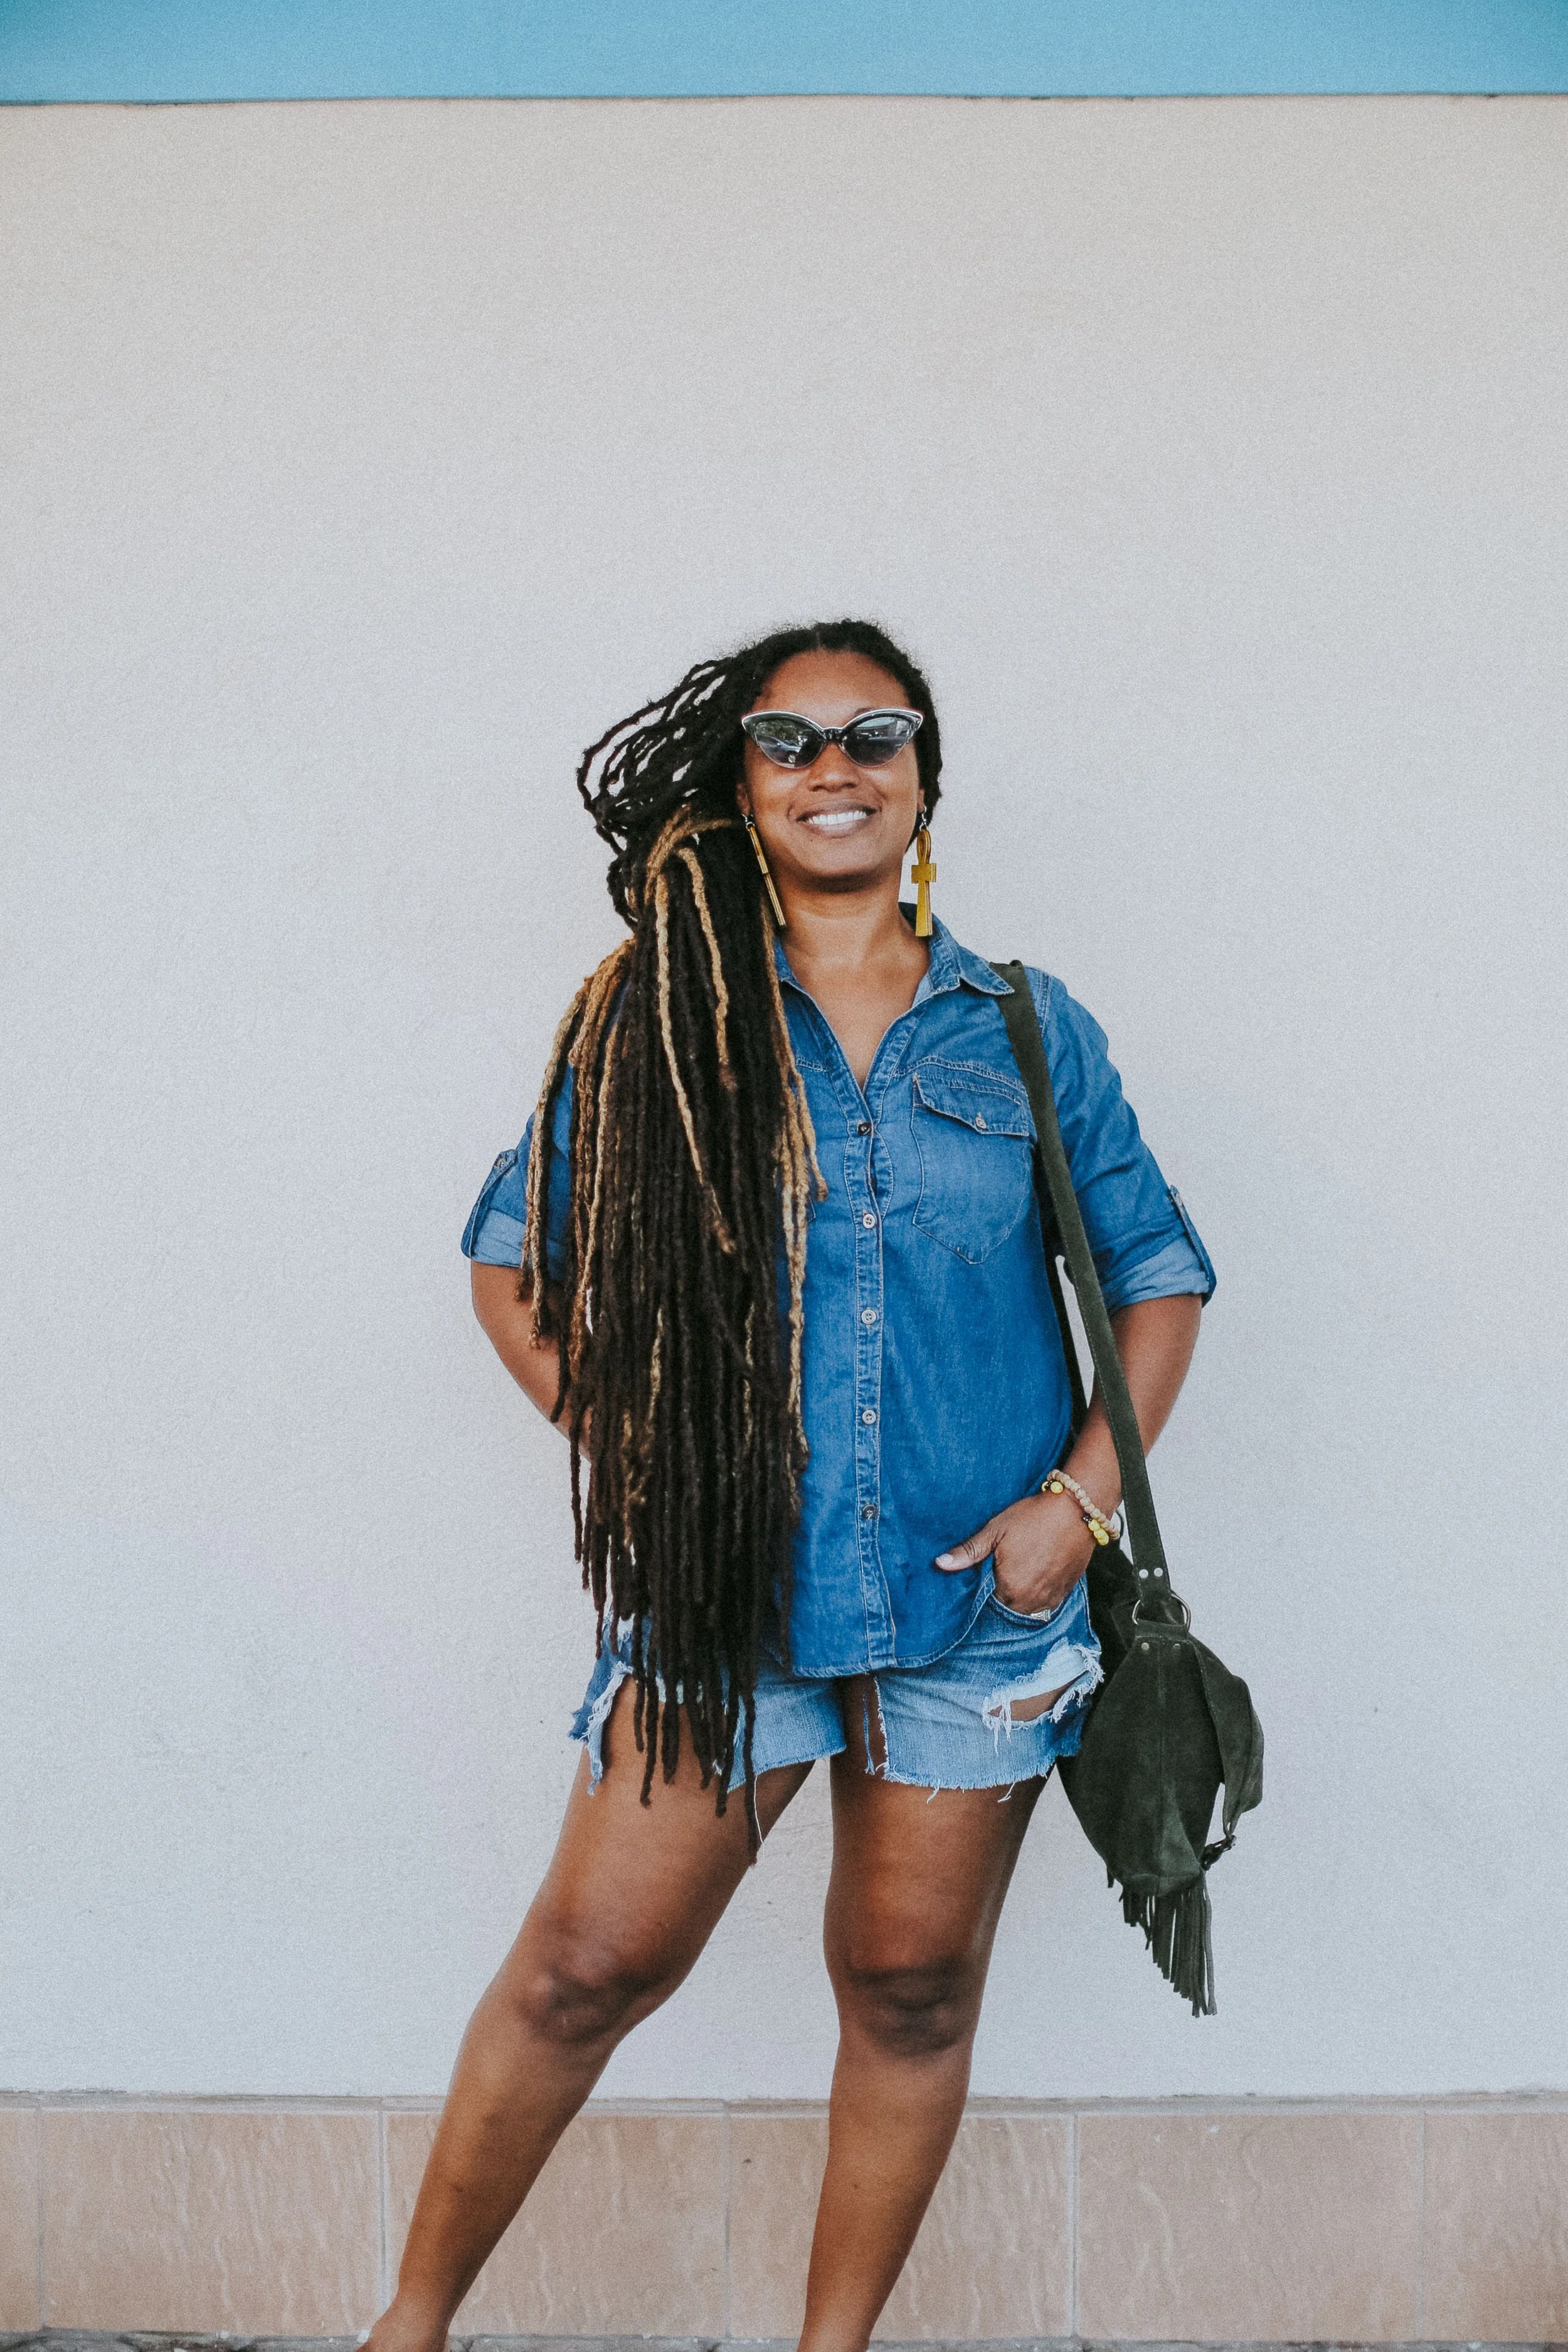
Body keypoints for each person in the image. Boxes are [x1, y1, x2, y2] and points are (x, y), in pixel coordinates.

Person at [368, 619, 1214, 2352]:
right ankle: (408, 2332)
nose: (836, 765)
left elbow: (1158, 1276)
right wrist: (651, 1460)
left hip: (973, 1611)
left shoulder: (1029, 1030)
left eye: (875, 733)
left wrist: (1075, 1508)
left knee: (908, 1987)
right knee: (582, 1967)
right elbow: (511, 1271)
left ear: (922, 782)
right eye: (790, 739)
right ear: (740, 785)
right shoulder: (654, 1017)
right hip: (727, 1594)